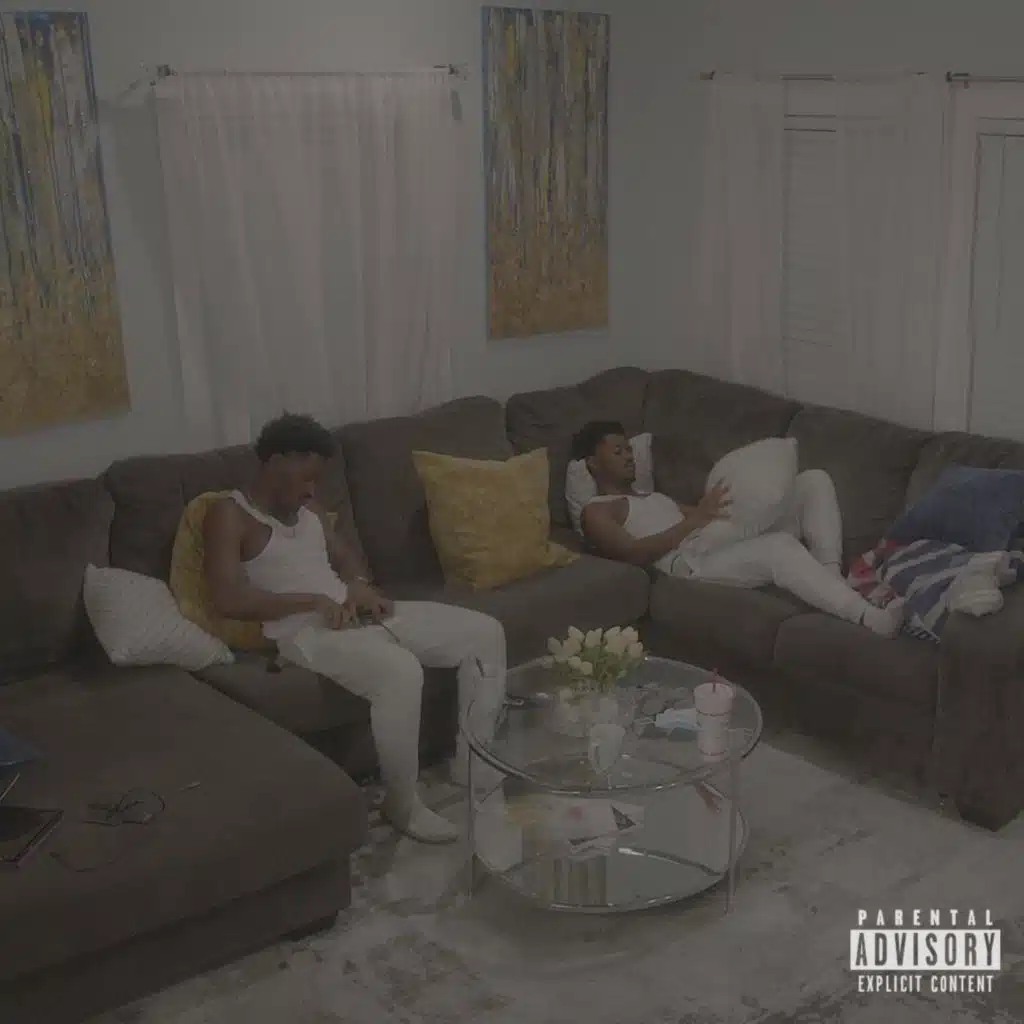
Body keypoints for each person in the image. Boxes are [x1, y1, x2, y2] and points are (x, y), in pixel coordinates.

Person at [203, 413, 507, 844]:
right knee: (400, 672)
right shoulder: (229, 514)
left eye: (317, 480)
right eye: (307, 478)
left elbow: (346, 559)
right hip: (303, 632)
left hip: (351, 613)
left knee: (485, 632)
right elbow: (228, 598)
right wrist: (312, 602)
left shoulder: (308, 510)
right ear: (275, 463)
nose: (313, 491)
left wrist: (360, 587)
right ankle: (402, 804)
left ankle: (474, 763)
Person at [572, 421, 906, 636]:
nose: (629, 456)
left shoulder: (652, 496)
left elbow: (702, 515)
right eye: (618, 451)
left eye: (630, 449)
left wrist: (725, 505)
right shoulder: (597, 510)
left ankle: (830, 574)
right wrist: (694, 521)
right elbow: (632, 554)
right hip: (687, 562)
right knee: (778, 548)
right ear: (592, 463)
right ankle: (867, 617)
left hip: (709, 540)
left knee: (812, 482)